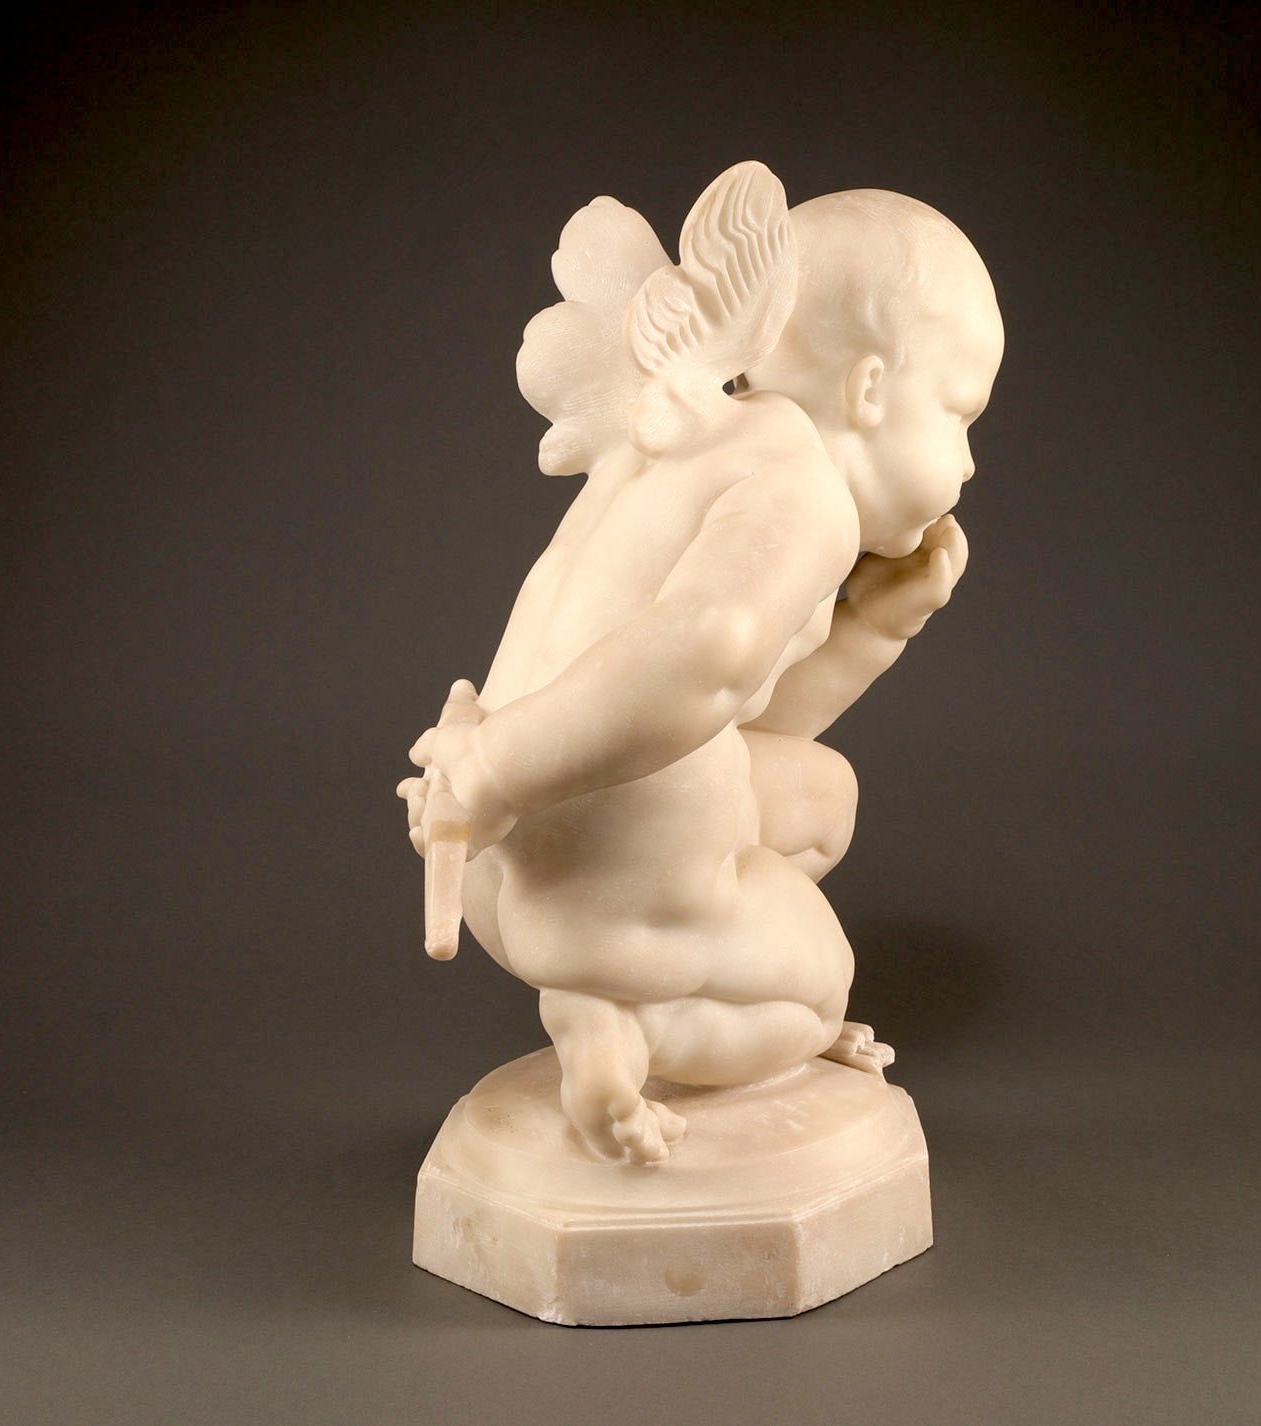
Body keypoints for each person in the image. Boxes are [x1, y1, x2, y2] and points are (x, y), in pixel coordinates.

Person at [399, 168, 1003, 1163]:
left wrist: (873, 629)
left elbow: (737, 711)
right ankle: (626, 1021)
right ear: (870, 388)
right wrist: (497, 771)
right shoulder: (806, 498)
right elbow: (708, 653)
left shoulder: (694, 431)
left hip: (502, 861)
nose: (970, 460)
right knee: (819, 993)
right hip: (580, 853)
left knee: (821, 797)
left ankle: (664, 960)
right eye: (959, 413)